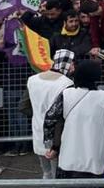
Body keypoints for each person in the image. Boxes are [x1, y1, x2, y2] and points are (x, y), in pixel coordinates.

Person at [43, 60, 104, 179]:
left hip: (69, 153)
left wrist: (53, 145)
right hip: (95, 153)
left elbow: (50, 118)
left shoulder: (66, 94)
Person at [23, 49, 75, 179]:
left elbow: (23, 106)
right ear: (67, 64)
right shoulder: (67, 83)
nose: (74, 66)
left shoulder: (33, 80)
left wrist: (38, 115)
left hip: (38, 131)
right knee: (57, 173)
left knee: (46, 172)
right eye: (72, 63)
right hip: (57, 133)